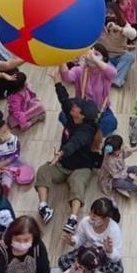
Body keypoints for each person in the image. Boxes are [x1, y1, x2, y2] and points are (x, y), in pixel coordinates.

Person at [35, 76, 104, 231]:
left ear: (82, 115)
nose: (73, 106)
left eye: (76, 107)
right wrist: (57, 82)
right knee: (43, 171)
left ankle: (72, 218)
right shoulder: (72, 115)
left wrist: (61, 153)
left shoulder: (87, 131)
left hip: (81, 167)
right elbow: (64, 100)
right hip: (63, 164)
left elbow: (74, 143)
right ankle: (43, 206)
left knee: (77, 186)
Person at [58, 196, 125, 273]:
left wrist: (110, 251)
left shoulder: (114, 229)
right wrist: (73, 241)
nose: (91, 217)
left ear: (106, 218)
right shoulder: (85, 222)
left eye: (95, 216)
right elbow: (80, 239)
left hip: (104, 258)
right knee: (63, 260)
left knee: (118, 271)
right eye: (91, 213)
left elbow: (117, 257)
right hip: (87, 254)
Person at [59, 45, 119, 135]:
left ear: (103, 59)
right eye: (89, 53)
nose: (90, 55)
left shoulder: (105, 73)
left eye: (96, 54)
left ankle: (85, 134)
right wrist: (61, 58)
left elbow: (113, 73)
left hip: (100, 110)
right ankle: (86, 134)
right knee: (63, 115)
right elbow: (66, 77)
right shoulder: (80, 70)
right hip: (81, 111)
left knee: (111, 122)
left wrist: (94, 59)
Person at [0, 120, 35, 192]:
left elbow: (16, 153)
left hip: (10, 163)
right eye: (4, 132)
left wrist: (6, 162)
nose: (8, 133)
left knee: (8, 174)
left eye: (7, 129)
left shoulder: (13, 140)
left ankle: (6, 187)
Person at [98, 134, 137, 201]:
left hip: (121, 170)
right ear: (115, 151)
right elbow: (115, 175)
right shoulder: (110, 162)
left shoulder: (117, 151)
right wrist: (128, 175)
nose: (123, 146)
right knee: (120, 182)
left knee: (136, 169)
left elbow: (126, 151)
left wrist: (136, 148)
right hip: (111, 178)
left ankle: (124, 186)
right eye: (122, 145)